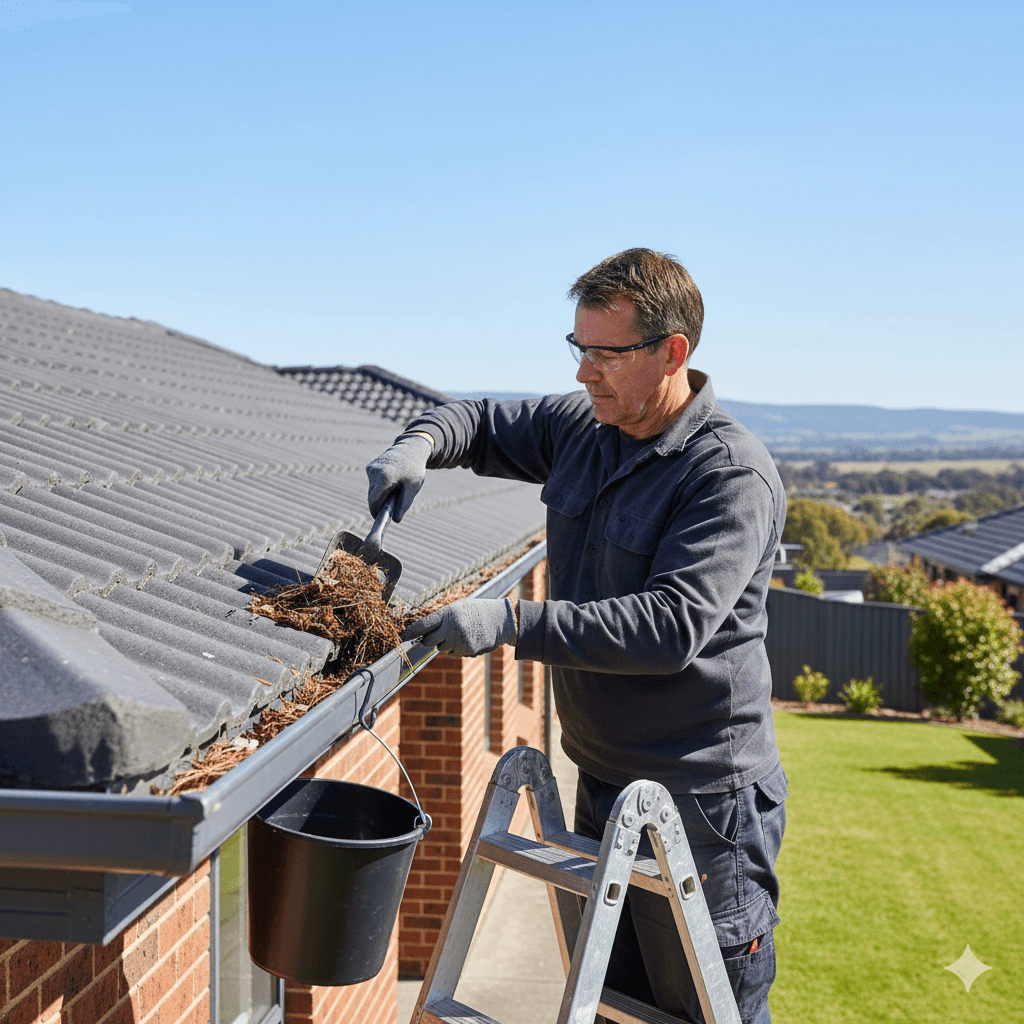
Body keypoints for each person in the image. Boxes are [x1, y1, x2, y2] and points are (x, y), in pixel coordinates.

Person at [366, 248, 788, 1024]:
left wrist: (509, 622)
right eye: (578, 349)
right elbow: (481, 420)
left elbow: (671, 626)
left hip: (701, 808)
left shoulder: (727, 474)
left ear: (673, 352)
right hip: (605, 785)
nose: (585, 372)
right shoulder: (585, 427)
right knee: (612, 1005)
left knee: (699, 1010)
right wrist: (419, 442)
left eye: (606, 353)